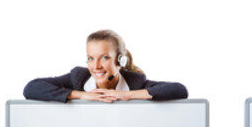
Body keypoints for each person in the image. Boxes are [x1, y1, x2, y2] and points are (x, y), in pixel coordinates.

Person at [24, 29, 187, 102]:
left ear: (120, 61)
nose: (96, 66)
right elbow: (31, 88)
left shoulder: (135, 83)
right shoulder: (78, 78)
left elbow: (179, 89)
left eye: (104, 58)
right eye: (90, 58)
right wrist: (81, 96)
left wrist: (126, 95)